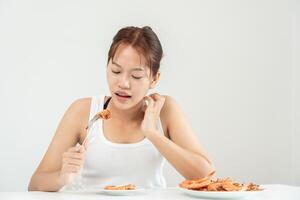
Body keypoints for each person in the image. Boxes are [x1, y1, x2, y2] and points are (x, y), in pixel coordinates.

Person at [28, 26, 214, 192]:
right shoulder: (82, 111)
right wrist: (62, 178)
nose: (123, 84)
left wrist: (152, 133)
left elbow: (208, 176)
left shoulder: (165, 110)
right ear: (107, 67)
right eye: (116, 71)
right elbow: (35, 184)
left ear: (154, 79)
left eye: (136, 76)